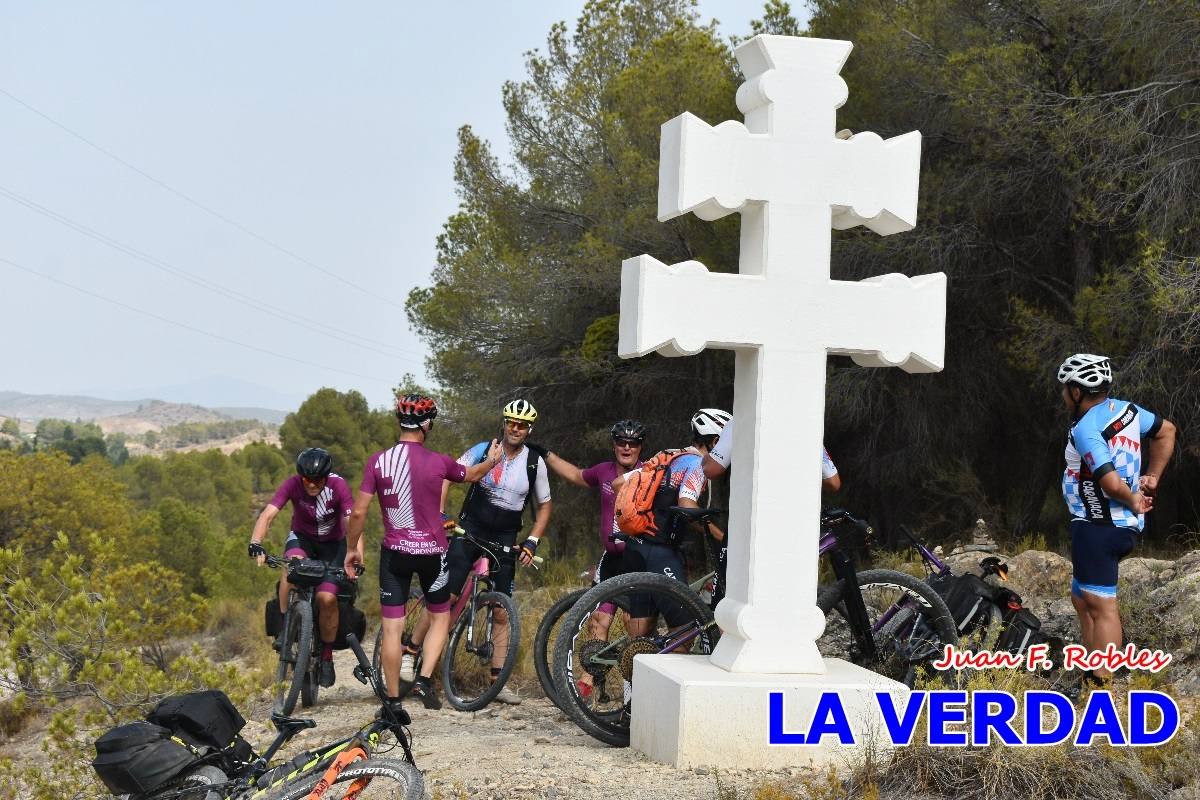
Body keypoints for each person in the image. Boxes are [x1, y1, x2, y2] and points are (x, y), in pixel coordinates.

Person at [344, 394, 501, 710]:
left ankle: (391, 701)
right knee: (439, 616)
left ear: (398, 421)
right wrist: (493, 461)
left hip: (394, 554)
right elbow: (470, 475)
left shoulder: (378, 461)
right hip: (433, 552)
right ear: (427, 425)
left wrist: (351, 549)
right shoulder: (439, 461)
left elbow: (358, 513)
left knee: (392, 629)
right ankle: (424, 681)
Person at [409, 398, 553, 706]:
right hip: (469, 529)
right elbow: (449, 476)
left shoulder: (534, 463)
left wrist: (532, 540)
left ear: (529, 430)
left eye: (522, 425)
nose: (516, 429)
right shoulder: (483, 450)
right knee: (444, 598)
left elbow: (544, 506)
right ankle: (412, 649)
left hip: (505, 536)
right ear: (503, 423)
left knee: (501, 612)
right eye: (511, 423)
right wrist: (440, 512)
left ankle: (496, 682)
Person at [1057, 353, 1175, 686]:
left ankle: (1100, 684)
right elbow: (1167, 431)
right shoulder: (1129, 411)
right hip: (1104, 525)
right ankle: (1090, 669)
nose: (1063, 395)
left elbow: (1108, 482)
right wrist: (1152, 476)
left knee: (1100, 604)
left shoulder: (1086, 428)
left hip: (1100, 526)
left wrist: (1133, 497)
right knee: (1081, 598)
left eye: (1065, 389)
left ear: (1077, 392)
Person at [528, 419, 646, 697]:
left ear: (641, 447)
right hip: (611, 559)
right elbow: (577, 475)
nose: (626, 448)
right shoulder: (604, 471)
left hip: (636, 558)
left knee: (634, 625)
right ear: (614, 444)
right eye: (621, 442)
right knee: (598, 621)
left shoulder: (648, 472)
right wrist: (547, 454)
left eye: (633, 443)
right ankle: (588, 685)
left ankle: (632, 695)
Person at [700, 417, 841, 609]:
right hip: (790, 528)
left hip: (747, 526)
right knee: (779, 598)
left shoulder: (741, 420)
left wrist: (707, 455)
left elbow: (711, 468)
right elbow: (834, 482)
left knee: (728, 599)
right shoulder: (807, 426)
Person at [612, 408, 729, 638]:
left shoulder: (668, 455)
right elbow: (687, 504)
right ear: (716, 441)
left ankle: (633, 669)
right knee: (685, 632)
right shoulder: (698, 464)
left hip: (636, 545)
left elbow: (618, 483)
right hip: (661, 550)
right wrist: (717, 534)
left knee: (641, 633)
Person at [249, 447, 354, 688]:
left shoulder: (338, 486)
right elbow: (268, 515)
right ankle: (286, 627)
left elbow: (353, 523)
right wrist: (255, 543)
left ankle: (326, 656)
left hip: (332, 545)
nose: (312, 485)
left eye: (317, 480)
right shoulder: (292, 484)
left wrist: (356, 555)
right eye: (307, 479)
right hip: (303, 538)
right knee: (291, 567)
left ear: (326, 477)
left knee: (327, 599)